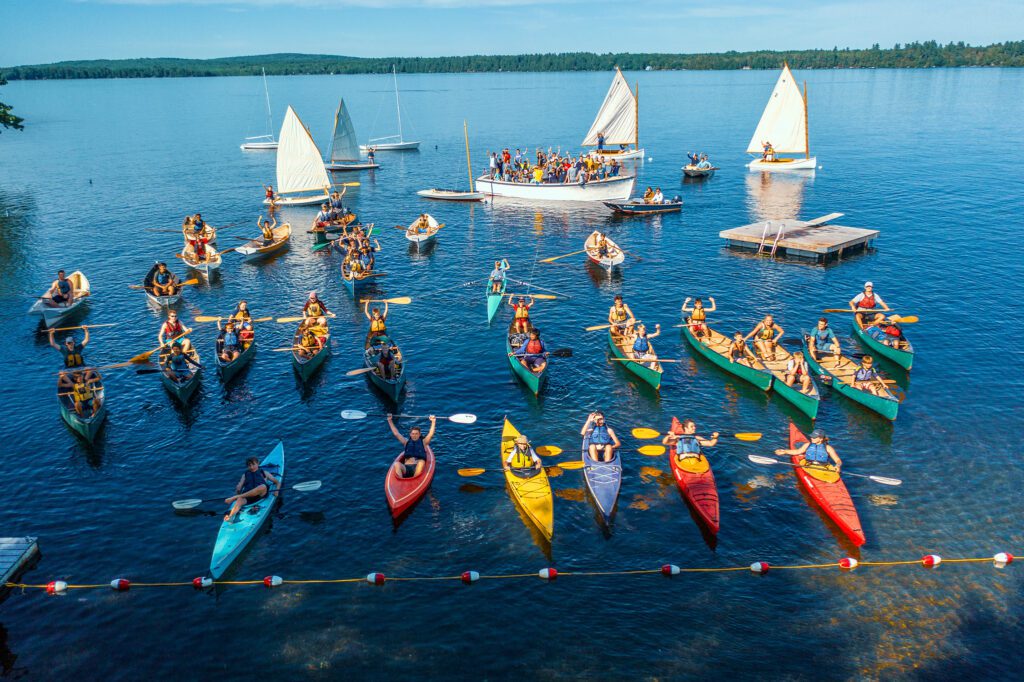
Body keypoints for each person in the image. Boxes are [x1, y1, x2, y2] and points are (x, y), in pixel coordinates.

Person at [224, 456, 281, 523]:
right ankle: (231, 517)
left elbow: (277, 482)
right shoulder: (245, 475)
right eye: (249, 465)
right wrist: (238, 488)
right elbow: (239, 488)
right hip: (248, 496)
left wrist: (277, 490)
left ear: (258, 463)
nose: (252, 467)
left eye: (253, 464)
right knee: (240, 500)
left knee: (263, 486)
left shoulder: (264, 473)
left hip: (261, 494)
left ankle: (234, 497)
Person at [386, 414, 436, 479]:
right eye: (413, 434)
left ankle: (415, 479)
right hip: (407, 468)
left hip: (418, 468)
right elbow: (396, 433)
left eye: (416, 434)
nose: (414, 435)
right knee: (396, 464)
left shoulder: (424, 442)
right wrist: (390, 420)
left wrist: (433, 421)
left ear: (419, 434)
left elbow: (430, 434)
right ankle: (400, 481)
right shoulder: (406, 442)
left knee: (421, 462)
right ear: (410, 434)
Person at [775, 428, 842, 471]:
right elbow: (797, 451)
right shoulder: (807, 445)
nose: (812, 438)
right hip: (809, 466)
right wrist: (784, 451)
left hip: (823, 468)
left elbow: (838, 461)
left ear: (821, 439)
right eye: (812, 436)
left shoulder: (828, 448)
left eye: (814, 437)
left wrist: (837, 466)